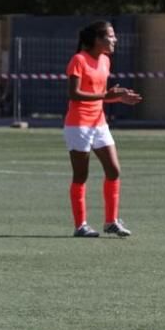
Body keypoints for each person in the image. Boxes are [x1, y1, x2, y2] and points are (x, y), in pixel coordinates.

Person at [64, 21, 141, 237]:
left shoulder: (106, 61)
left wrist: (117, 97)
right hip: (78, 125)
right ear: (97, 39)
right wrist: (105, 96)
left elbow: (101, 94)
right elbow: (74, 94)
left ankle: (111, 222)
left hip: (99, 123)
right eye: (110, 36)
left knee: (114, 170)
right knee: (81, 176)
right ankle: (80, 226)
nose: (114, 39)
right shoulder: (78, 60)